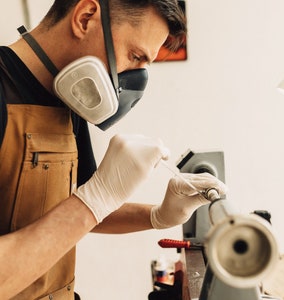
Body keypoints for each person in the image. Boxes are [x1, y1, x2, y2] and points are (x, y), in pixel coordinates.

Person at [0, 0, 227, 299]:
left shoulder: (68, 94)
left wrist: (157, 216)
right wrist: (97, 197)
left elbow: (79, 206)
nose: (135, 81)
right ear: (85, 18)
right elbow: (87, 205)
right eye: (135, 56)